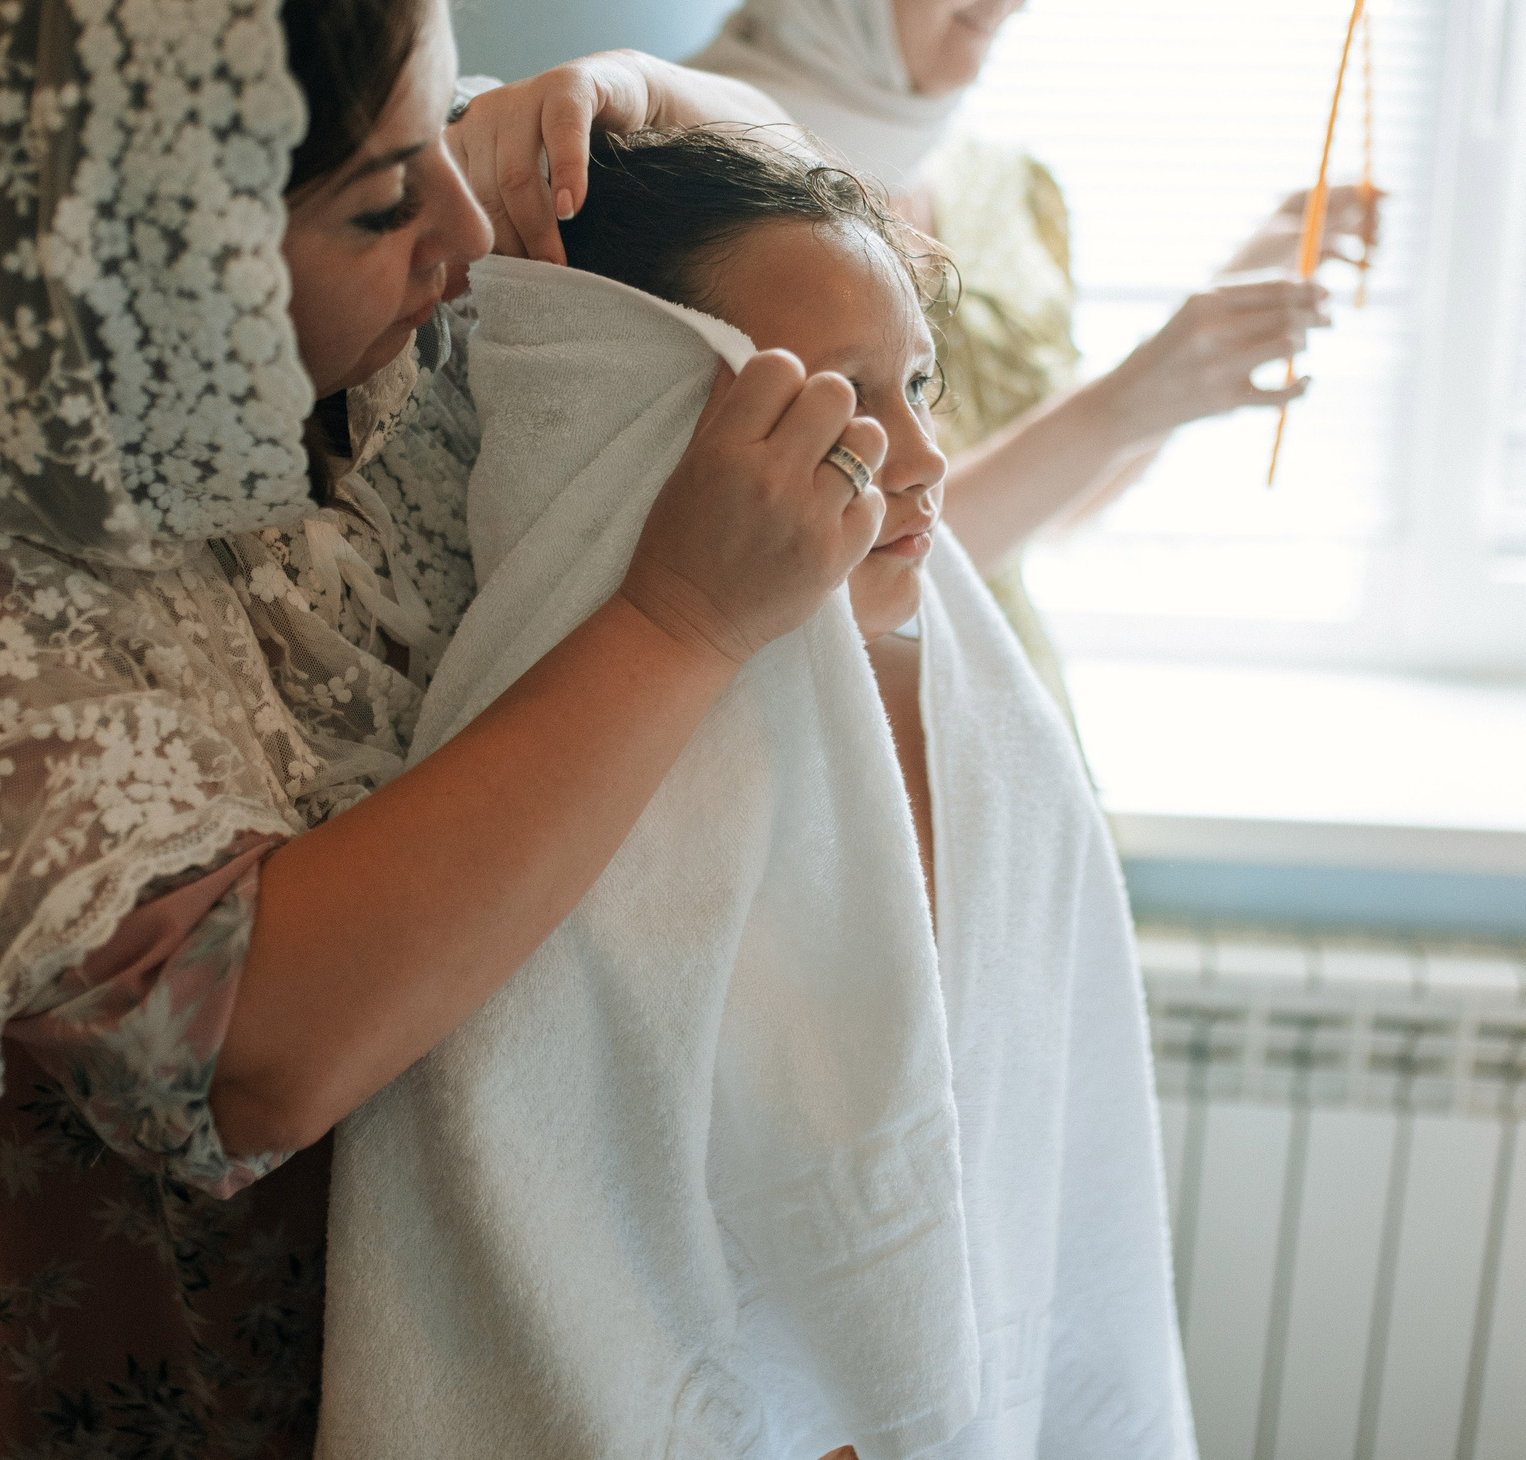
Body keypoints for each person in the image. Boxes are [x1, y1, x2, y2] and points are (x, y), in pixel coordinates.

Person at [0, 0, 894, 1457]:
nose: (464, 242)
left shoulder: (342, 304)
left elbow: (702, 148)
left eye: (435, 141)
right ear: (149, 237)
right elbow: (239, 1053)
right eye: (386, 204)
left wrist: (610, 94)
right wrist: (679, 622)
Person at [324, 125, 1188, 1457]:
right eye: (840, 403)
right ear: (637, 424)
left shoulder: (975, 747)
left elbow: (1011, 1184)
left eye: (917, 383)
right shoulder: (530, 812)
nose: (921, 460)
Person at [641, 0, 1379, 709]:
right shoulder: (686, 185)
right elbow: (819, 577)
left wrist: (1254, 274)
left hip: (1015, 735)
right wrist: (1126, 395)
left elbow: (1059, 508)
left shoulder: (1005, 190)